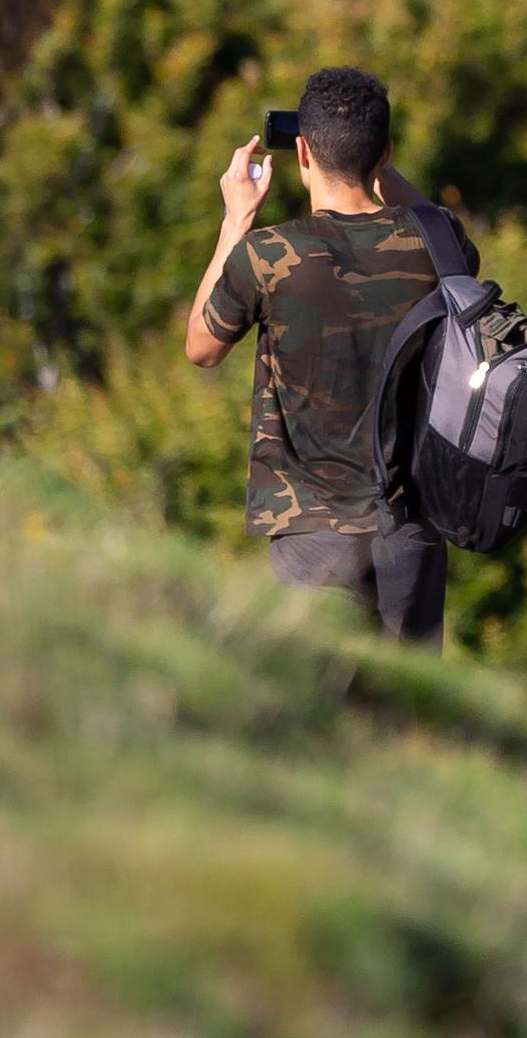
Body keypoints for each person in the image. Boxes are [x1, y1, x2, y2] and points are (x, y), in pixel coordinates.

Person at [184, 66, 478, 649]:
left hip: (311, 531)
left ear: (301, 152)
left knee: (323, 710)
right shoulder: (435, 243)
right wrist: (371, 161)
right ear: (386, 152)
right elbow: (445, 235)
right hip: (411, 529)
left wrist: (236, 218)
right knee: (410, 717)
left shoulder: (268, 254)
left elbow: (201, 346)